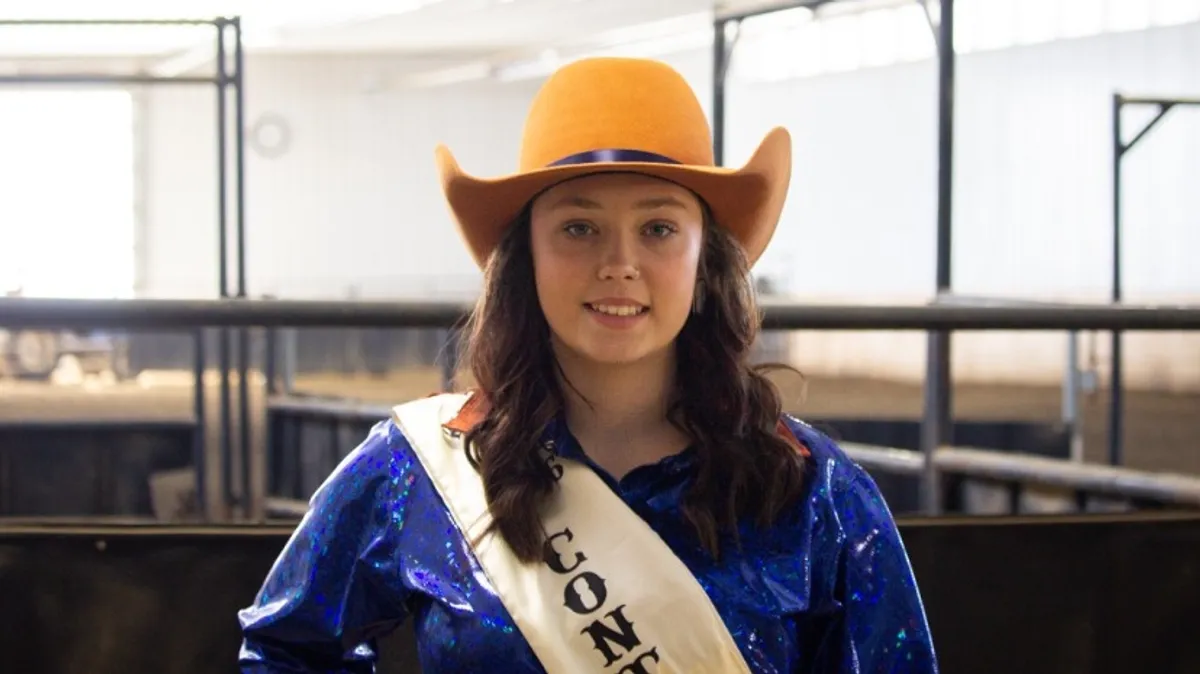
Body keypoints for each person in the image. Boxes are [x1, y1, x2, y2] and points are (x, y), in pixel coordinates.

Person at [238, 57, 938, 674]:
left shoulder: (813, 492)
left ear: (705, 262)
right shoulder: (420, 469)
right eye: (578, 227)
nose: (619, 264)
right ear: (526, 258)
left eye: (659, 228)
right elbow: (287, 648)